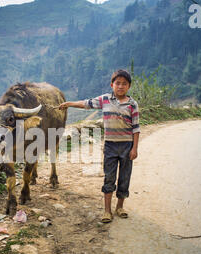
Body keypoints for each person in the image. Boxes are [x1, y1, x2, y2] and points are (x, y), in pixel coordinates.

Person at [57, 69, 140, 223]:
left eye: (124, 84)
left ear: (129, 86)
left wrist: (134, 148)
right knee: (109, 177)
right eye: (118, 83)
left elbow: (136, 128)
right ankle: (107, 211)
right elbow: (86, 103)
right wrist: (69, 104)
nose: (120, 86)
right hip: (110, 146)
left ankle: (120, 207)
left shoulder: (132, 104)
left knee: (124, 177)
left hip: (127, 146)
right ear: (112, 85)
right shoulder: (105, 99)